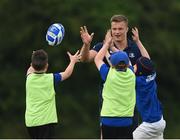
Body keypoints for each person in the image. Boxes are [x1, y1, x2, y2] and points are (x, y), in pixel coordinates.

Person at [80, 14, 141, 132]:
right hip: (108, 103)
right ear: (110, 29)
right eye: (114, 29)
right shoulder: (102, 46)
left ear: (127, 29)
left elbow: (146, 65)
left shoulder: (135, 48)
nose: (117, 32)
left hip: (129, 103)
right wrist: (86, 44)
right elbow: (85, 59)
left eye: (120, 29)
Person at [25, 49, 81, 139]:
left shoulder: (29, 78)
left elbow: (30, 69)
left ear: (31, 64)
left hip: (31, 123)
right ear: (47, 66)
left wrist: (35, 56)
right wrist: (73, 61)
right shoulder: (51, 78)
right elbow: (67, 73)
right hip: (46, 122)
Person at [94, 30, 136, 139]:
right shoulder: (131, 74)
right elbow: (128, 63)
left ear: (112, 64)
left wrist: (106, 45)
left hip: (108, 120)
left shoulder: (108, 73)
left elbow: (97, 58)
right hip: (126, 121)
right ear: (127, 64)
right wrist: (113, 48)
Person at [131, 27, 166, 139]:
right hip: (160, 121)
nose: (133, 66)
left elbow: (124, 66)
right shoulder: (151, 74)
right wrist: (137, 41)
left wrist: (108, 48)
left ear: (139, 71)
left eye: (135, 65)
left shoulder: (137, 81)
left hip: (150, 124)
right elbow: (147, 60)